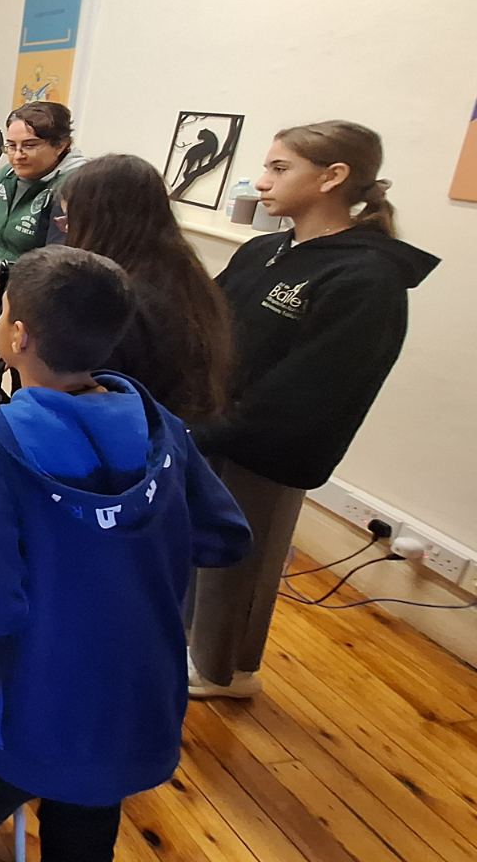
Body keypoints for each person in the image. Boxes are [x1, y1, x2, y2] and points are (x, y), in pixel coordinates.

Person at [0, 246, 251, 862]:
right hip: (136, 683)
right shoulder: (156, 423)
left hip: (32, 688)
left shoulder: (1, 441)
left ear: (17, 336)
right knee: (89, 802)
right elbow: (224, 534)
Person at [186, 121, 439, 699]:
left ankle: (224, 670)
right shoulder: (264, 250)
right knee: (199, 543)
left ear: (333, 177)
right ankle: (189, 640)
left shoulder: (366, 277)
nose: (261, 181)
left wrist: (220, 428)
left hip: (266, 446)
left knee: (242, 558)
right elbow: (206, 320)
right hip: (210, 425)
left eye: (279, 169)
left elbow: (313, 387)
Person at [61, 154, 235, 422]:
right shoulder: (181, 274)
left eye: (70, 220)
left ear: (101, 223)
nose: (66, 231)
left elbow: (85, 401)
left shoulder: (117, 300)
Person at [0, 101, 86, 290]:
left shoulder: (75, 188)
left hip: (37, 300)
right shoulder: (5, 176)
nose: (18, 156)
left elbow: (56, 267)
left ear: (60, 145)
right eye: (11, 146)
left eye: (29, 145)